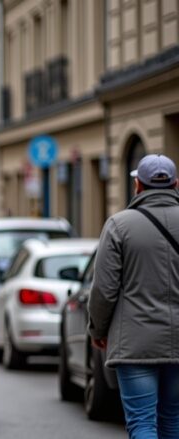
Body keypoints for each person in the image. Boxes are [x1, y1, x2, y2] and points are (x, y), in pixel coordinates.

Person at [89, 153, 179, 439]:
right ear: (176, 184)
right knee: (174, 421)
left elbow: (104, 289)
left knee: (142, 423)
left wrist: (98, 329)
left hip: (135, 343)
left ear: (137, 186)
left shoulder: (118, 225)